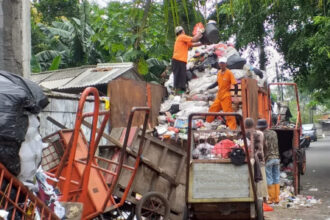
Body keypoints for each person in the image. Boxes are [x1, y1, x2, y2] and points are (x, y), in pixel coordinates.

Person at [205, 57, 239, 130]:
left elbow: (235, 85)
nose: (221, 64)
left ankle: (232, 129)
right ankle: (207, 124)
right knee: (212, 109)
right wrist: (209, 87)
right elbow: (217, 82)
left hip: (226, 96)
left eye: (223, 63)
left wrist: (235, 96)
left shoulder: (229, 73)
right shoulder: (219, 72)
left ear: (226, 64)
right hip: (219, 96)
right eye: (220, 63)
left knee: (228, 113)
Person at [172, 26, 203, 94]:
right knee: (179, 82)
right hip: (178, 61)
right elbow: (194, 39)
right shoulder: (182, 36)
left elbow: (193, 44)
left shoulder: (181, 40)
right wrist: (200, 31)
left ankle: (179, 95)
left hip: (180, 62)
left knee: (182, 80)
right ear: (182, 31)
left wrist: (202, 43)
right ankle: (177, 98)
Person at [257, 119, 280, 204]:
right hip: (276, 158)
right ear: (266, 126)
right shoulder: (274, 133)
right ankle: (277, 198)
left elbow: (263, 147)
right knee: (276, 177)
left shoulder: (262, 134)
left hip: (268, 158)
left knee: (269, 177)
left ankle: (271, 198)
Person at [244, 118, 268, 202]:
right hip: (260, 159)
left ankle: (252, 197)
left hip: (249, 160)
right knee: (262, 179)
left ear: (245, 125)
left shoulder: (244, 134)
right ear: (253, 124)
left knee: (251, 179)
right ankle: (263, 199)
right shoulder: (260, 133)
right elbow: (265, 146)